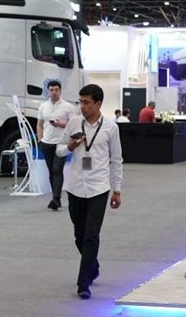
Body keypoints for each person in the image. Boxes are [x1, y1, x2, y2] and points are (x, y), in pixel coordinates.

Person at [56, 84, 123, 300]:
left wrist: (117, 190)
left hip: (99, 188)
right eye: (80, 102)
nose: (82, 106)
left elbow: (116, 160)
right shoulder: (74, 123)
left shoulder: (111, 128)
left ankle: (83, 283)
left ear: (98, 104)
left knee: (92, 235)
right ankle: (92, 266)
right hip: (75, 186)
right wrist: (71, 147)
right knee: (79, 235)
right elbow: (59, 149)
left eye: (86, 102)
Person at [37, 80, 77, 211]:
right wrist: (40, 139)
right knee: (51, 171)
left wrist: (60, 124)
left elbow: (74, 125)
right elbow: (40, 124)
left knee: (57, 169)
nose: (54, 92)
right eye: (51, 90)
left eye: (56, 90)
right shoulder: (43, 106)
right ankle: (55, 196)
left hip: (61, 143)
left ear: (60, 91)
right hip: (46, 142)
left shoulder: (68, 107)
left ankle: (56, 198)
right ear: (48, 91)